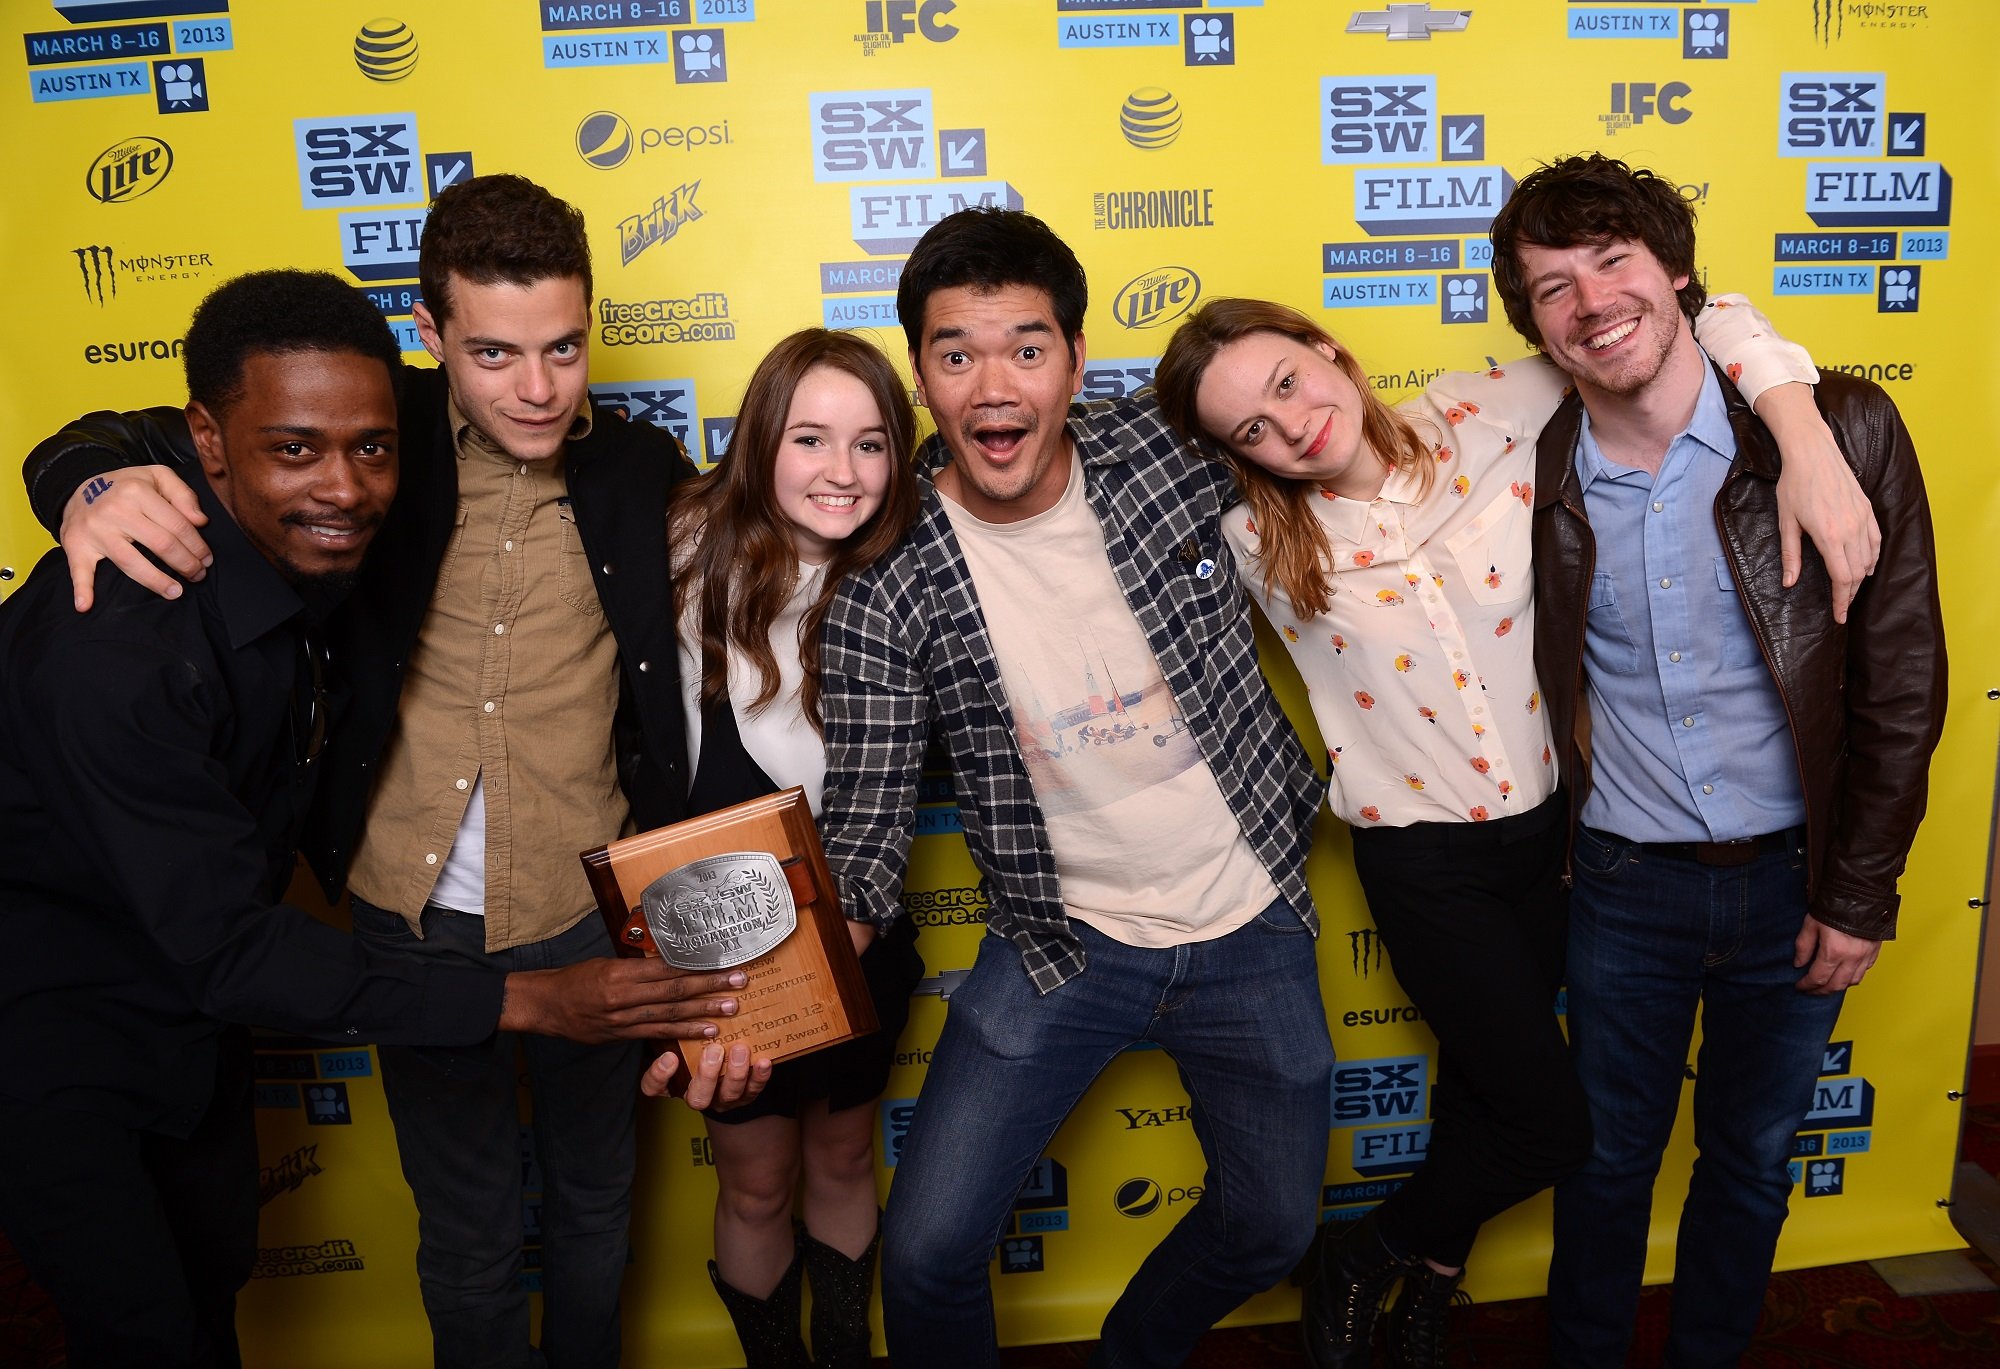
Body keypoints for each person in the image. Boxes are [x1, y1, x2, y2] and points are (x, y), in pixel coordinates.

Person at [19, 175, 746, 1369]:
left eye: (563, 347)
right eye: (496, 351)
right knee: (461, 1234)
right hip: (409, 917)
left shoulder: (635, 470)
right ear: (431, 337)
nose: (537, 386)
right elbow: (120, 439)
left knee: (596, 1210)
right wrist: (81, 487)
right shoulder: (360, 432)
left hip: (584, 907)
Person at [1153, 290, 1868, 1367]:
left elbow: (1692, 315)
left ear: (1326, 350)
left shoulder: (1486, 411)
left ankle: (1428, 1282)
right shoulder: (1255, 533)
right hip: (1421, 861)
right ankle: (1362, 1254)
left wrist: (1799, 425)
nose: (1289, 425)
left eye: (1287, 383)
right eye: (1249, 427)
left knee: (1481, 1091)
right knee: (1548, 1122)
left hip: (1555, 836)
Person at [815, 206, 1334, 1368]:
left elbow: (1348, 442)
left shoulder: (1165, 449)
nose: (993, 385)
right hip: (1060, 939)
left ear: (1075, 362)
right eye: (956, 353)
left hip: (1250, 914)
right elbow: (861, 837)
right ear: (919, 377)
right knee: (926, 1250)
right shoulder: (885, 572)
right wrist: (755, 1011)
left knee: (1273, 1224)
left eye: (1025, 348)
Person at [1486, 153, 1946, 1367]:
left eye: (1612, 262)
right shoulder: (1520, 470)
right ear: (1533, 324)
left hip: (1794, 884)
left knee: (1746, 1161)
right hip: (1622, 885)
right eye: (1550, 289)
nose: (1588, 304)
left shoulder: (1838, 425)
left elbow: (1900, 684)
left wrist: (1855, 891)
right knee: (1602, 1160)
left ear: (1677, 272)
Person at [640, 329, 924, 1368]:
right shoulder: (673, 552)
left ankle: (844, 1351)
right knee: (755, 1178)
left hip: (855, 932)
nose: (841, 472)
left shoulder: (906, 578)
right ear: (759, 442)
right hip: (718, 949)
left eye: (869, 443)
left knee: (847, 1154)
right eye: (810, 438)